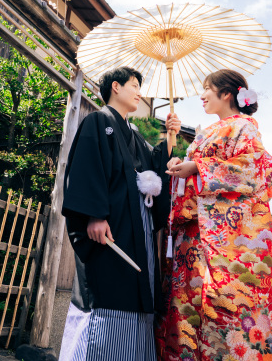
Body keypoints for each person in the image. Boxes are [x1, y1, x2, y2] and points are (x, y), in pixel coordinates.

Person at [155, 69, 272, 361]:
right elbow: (192, 176)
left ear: (226, 94)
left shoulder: (245, 127)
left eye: (207, 89)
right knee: (186, 312)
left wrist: (199, 168)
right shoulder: (205, 132)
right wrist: (180, 164)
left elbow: (252, 171)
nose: (201, 95)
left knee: (222, 310)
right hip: (191, 240)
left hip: (220, 240)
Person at [59, 66, 182, 361]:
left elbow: (153, 171)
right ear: (116, 87)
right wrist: (94, 215)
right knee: (111, 288)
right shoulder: (98, 122)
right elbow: (87, 168)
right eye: (134, 85)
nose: (140, 92)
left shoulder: (136, 136)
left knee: (139, 290)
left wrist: (170, 139)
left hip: (136, 231)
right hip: (111, 226)